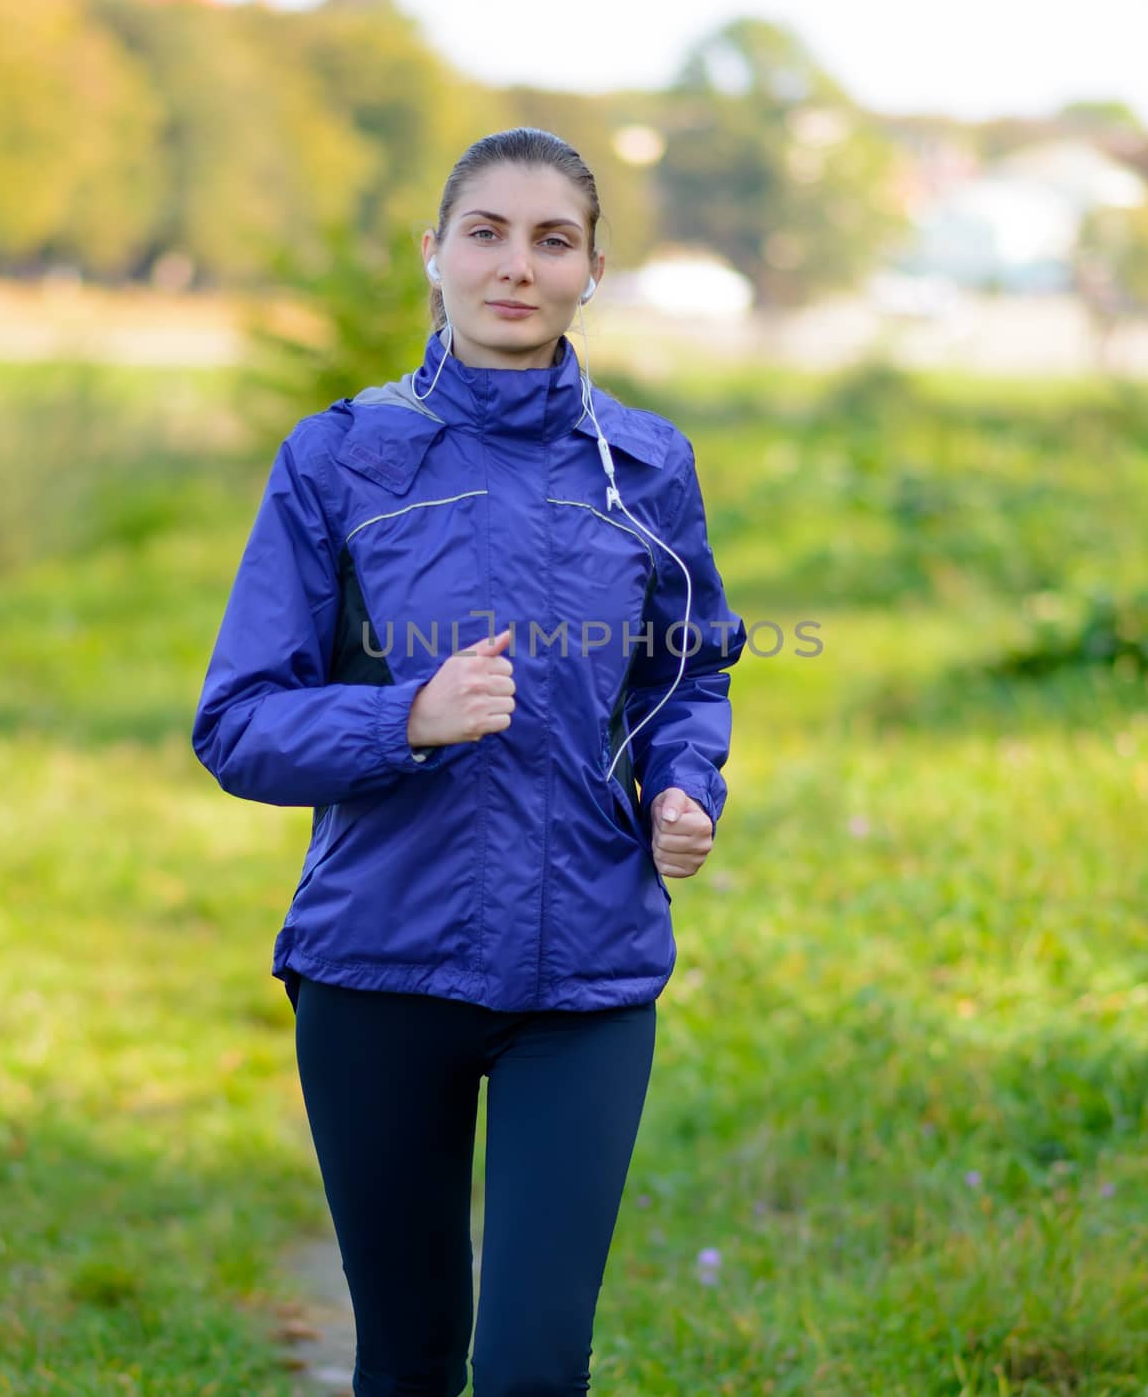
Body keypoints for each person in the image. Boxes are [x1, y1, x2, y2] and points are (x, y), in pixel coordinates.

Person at [191, 127, 747, 1395]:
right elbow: (237, 720)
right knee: (409, 1354)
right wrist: (403, 718)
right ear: (432, 252)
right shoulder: (336, 458)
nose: (517, 266)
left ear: (593, 268)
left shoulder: (647, 466)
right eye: (486, 232)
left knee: (536, 1365)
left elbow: (686, 668)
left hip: (589, 971)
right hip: (379, 964)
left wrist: (684, 782)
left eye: (553, 239)